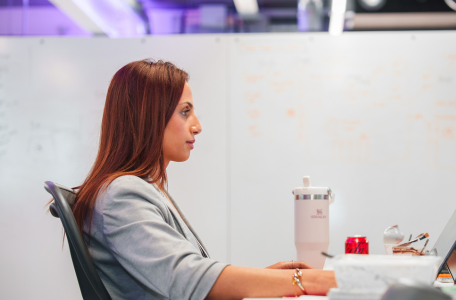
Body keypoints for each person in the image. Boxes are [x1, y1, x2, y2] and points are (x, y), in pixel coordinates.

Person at [71, 59, 337, 300]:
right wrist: (306, 280)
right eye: (185, 112)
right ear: (150, 116)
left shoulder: (143, 189)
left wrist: (271, 280)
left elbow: (187, 277)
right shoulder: (122, 194)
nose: (197, 126)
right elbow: (186, 279)